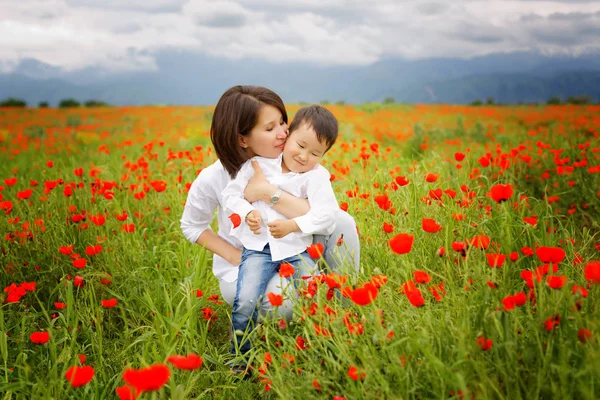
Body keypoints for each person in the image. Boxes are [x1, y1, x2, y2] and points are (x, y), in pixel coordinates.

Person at [180, 85, 360, 323]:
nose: (283, 133)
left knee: (341, 221)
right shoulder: (214, 177)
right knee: (283, 304)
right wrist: (236, 256)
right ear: (242, 139)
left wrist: (267, 192)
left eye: (283, 122)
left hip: (294, 248)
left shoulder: (297, 159)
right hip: (248, 260)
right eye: (270, 128)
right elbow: (192, 226)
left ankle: (343, 308)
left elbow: (323, 214)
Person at [223, 105, 340, 356]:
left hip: (298, 250)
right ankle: (240, 359)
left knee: (314, 296)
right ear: (288, 134)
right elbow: (230, 195)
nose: (304, 156)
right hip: (257, 250)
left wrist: (293, 226)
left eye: (315, 153)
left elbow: (327, 213)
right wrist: (248, 212)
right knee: (245, 301)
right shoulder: (258, 166)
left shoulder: (317, 177)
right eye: (301, 145)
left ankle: (321, 351)